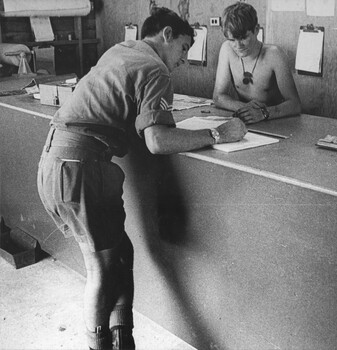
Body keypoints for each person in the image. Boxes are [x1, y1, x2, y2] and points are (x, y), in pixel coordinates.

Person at [37, 7, 246, 350]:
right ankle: (99, 345)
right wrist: (218, 134)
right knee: (101, 270)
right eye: (182, 47)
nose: (183, 58)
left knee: (121, 253)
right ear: (166, 34)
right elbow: (157, 140)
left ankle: (123, 340)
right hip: (80, 167)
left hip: (55, 164)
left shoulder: (121, 51)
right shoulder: (155, 68)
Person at [213, 2, 301, 124]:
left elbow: (295, 104)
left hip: (274, 121)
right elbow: (218, 97)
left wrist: (263, 113)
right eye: (232, 39)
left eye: (243, 38)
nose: (238, 46)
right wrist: (245, 109)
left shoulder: (275, 55)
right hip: (248, 120)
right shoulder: (227, 49)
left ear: (256, 30)